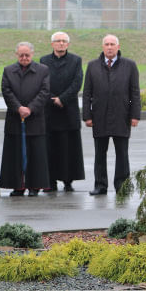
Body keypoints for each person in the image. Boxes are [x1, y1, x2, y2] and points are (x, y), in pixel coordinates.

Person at [82, 34, 141, 195]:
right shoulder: (93, 66)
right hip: (99, 117)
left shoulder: (129, 66)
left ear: (118, 46)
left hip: (122, 117)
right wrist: (87, 116)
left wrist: (135, 116)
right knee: (99, 154)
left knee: (122, 154)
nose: (109, 47)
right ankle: (100, 185)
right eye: (106, 44)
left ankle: (122, 186)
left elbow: (135, 93)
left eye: (112, 44)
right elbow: (87, 93)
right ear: (102, 47)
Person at [0, 42, 50, 196]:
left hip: (35, 119)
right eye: (21, 55)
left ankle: (34, 186)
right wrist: (18, 108)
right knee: (15, 155)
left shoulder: (43, 70)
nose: (24, 58)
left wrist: (30, 108)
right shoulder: (8, 71)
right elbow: (6, 91)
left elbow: (45, 91)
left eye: (27, 55)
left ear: (32, 54)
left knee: (35, 154)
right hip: (15, 119)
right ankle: (18, 186)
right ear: (16, 55)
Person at [40, 31, 85, 192]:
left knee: (68, 148)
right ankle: (50, 181)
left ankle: (68, 180)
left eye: (64, 41)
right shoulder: (44, 61)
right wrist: (52, 98)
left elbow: (77, 82)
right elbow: (42, 82)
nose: (61, 44)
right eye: (58, 41)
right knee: (50, 148)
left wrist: (63, 98)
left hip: (68, 111)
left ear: (68, 44)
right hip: (49, 110)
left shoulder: (75, 60)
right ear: (52, 44)